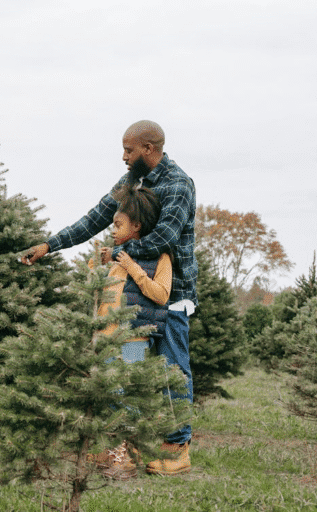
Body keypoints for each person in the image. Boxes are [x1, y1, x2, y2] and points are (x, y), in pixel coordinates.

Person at [22, 120, 197, 476]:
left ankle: (177, 449)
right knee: (128, 371)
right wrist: (49, 245)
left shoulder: (178, 184)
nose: (123, 157)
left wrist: (118, 254)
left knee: (172, 372)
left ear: (149, 149)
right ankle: (127, 450)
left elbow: (163, 238)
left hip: (170, 294)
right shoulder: (131, 181)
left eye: (129, 150)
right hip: (133, 297)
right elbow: (97, 217)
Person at [92, 184, 172, 480]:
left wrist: (132, 266)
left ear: (136, 226)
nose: (112, 230)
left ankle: (123, 460)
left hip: (133, 340)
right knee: (109, 396)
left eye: (118, 224)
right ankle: (118, 455)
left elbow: (161, 295)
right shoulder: (114, 257)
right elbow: (100, 297)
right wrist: (99, 266)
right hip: (106, 339)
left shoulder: (158, 259)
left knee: (122, 398)